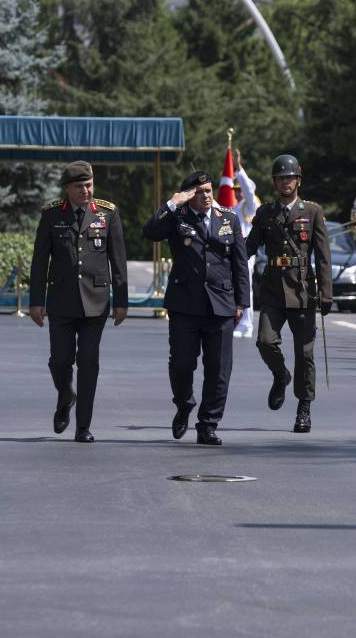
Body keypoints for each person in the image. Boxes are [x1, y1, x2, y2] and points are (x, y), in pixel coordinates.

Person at [142, 170, 249, 445]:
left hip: (221, 305)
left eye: (209, 190)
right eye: (199, 192)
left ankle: (208, 425)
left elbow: (240, 263)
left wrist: (242, 303)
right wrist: (172, 203)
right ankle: (183, 403)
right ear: (188, 195)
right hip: (185, 305)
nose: (206, 195)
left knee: (219, 369)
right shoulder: (177, 217)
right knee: (181, 363)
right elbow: (150, 232)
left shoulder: (228, 219)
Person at [29, 160, 128, 443]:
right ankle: (65, 393)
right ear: (67, 189)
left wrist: (122, 301)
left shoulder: (107, 214)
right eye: (79, 186)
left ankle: (83, 426)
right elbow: (39, 262)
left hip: (95, 302)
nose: (85, 191)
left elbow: (118, 260)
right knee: (60, 360)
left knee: (88, 362)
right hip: (60, 300)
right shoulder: (51, 215)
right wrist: (36, 301)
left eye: (89, 185)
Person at [245, 154, 332, 433]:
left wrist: (327, 293)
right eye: (281, 178)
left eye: (290, 177)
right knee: (264, 342)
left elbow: (323, 256)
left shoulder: (313, 212)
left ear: (298, 181)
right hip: (271, 289)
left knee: (305, 354)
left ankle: (304, 406)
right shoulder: (266, 213)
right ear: (274, 182)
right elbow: (247, 247)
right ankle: (280, 375)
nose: (286, 182)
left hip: (303, 289)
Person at [229, 150, 260, 339]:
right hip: (234, 251)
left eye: (239, 189)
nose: (238, 192)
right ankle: (239, 321)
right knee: (237, 287)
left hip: (246, 252)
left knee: (245, 287)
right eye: (235, 189)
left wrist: (238, 167)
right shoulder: (237, 207)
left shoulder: (251, 205)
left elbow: (249, 191)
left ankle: (247, 324)